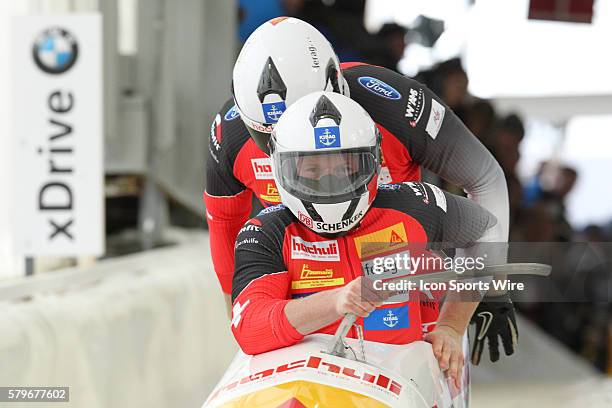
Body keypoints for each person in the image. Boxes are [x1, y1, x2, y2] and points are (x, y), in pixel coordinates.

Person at [204, 17, 514, 364]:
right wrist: (245, 317)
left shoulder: (395, 104)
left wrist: (470, 303)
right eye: (270, 136)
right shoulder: (230, 136)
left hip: (400, 282)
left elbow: (484, 180)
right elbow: (224, 230)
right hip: (306, 289)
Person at [230, 92, 505, 387]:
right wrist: (335, 301)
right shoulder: (266, 232)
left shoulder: (413, 205)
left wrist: (452, 325)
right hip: (309, 384)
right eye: (312, 170)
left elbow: (487, 229)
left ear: (371, 163)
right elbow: (250, 327)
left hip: (399, 380)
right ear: (282, 169)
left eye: (345, 169)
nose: (330, 183)